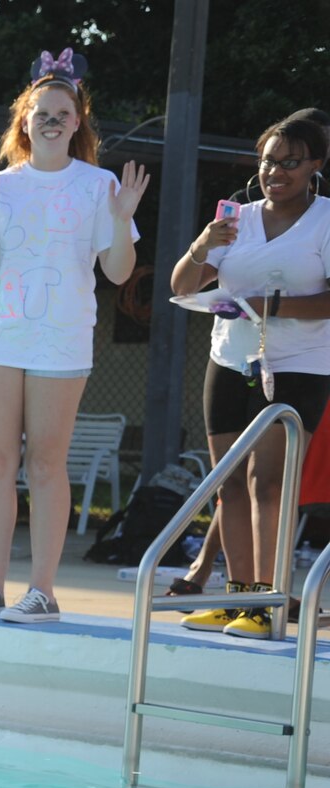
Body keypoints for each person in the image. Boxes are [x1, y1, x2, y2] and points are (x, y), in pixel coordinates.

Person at [0, 48, 146, 624]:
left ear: (78, 120)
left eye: (62, 113)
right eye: (42, 113)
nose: (52, 121)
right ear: (25, 121)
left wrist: (121, 218)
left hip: (61, 341)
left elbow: (118, 273)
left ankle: (43, 592)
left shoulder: (100, 184)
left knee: (46, 465)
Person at [169, 111, 330, 638]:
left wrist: (271, 304)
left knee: (268, 484)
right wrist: (202, 245)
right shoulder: (236, 218)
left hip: (298, 366)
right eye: (267, 161)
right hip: (230, 359)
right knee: (229, 483)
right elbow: (182, 285)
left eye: (289, 163)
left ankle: (267, 601)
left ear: (315, 165)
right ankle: (239, 600)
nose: (274, 173)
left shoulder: (325, 220)